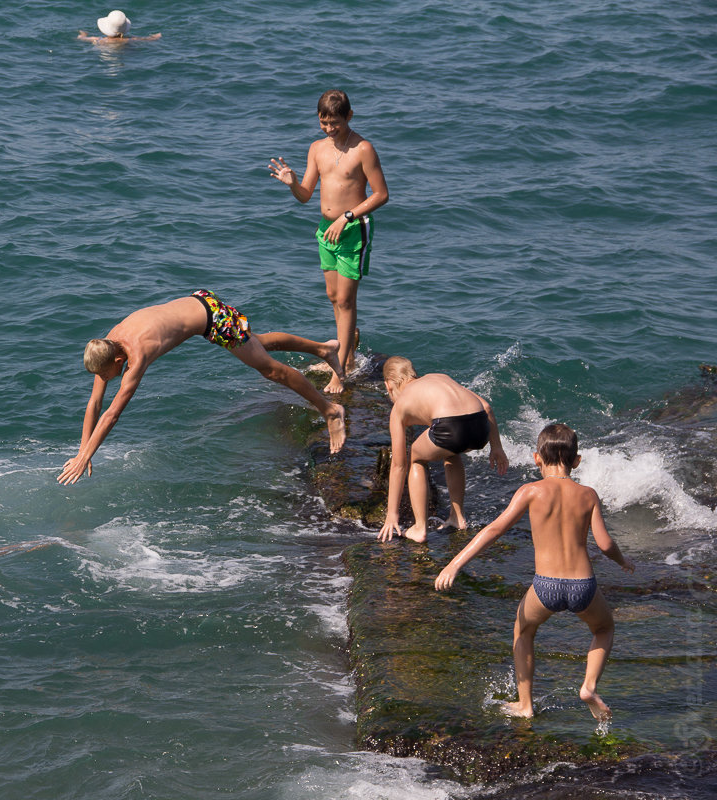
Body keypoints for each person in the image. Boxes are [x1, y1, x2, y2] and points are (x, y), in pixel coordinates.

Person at [435, 423, 635, 722]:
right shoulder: (588, 494)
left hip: (546, 587)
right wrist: (622, 562)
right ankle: (589, 687)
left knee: (524, 630)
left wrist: (454, 564)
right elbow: (605, 543)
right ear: (577, 461)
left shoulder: (530, 491)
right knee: (603, 629)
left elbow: (495, 529)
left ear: (535, 458)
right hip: (584, 586)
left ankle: (525, 704)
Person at [57, 291, 347, 485]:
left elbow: (111, 414)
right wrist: (83, 449)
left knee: (269, 369)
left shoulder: (138, 354)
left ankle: (330, 411)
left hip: (212, 317)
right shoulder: (106, 347)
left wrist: (86, 458)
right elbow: (95, 404)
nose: (105, 379)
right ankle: (324, 350)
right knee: (259, 343)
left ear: (119, 360)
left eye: (107, 374)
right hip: (199, 300)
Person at [269, 89, 389, 393]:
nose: (329, 129)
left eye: (335, 122)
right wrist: (293, 183)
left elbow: (381, 194)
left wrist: (346, 217)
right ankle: (348, 348)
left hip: (352, 229)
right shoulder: (316, 149)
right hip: (326, 230)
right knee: (334, 296)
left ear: (348, 116)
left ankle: (342, 369)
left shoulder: (363, 149)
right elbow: (306, 196)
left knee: (347, 300)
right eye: (324, 123)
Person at [377, 356, 508, 542]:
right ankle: (457, 517)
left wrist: (392, 514)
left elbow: (398, 465)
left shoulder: (399, 406)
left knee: (415, 456)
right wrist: (496, 447)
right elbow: (486, 406)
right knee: (450, 452)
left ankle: (419, 528)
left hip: (451, 427)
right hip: (480, 426)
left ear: (388, 385)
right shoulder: (438, 377)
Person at [77, 10, 161, 43]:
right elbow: (148, 39)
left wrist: (83, 34)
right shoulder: (130, 39)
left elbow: (80, 38)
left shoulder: (99, 39)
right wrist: (156, 36)